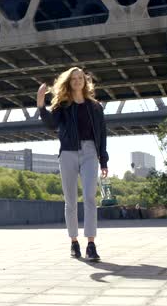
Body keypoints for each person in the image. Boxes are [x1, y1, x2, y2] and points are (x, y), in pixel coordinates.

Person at [36, 67, 109, 261]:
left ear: (85, 82)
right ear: (68, 82)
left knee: (89, 197)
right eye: (73, 78)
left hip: (90, 152)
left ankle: (91, 245)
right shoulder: (62, 105)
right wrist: (41, 105)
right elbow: (51, 125)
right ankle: (74, 242)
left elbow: (102, 134)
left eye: (80, 78)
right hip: (68, 152)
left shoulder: (95, 107)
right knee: (70, 201)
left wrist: (104, 160)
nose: (77, 81)